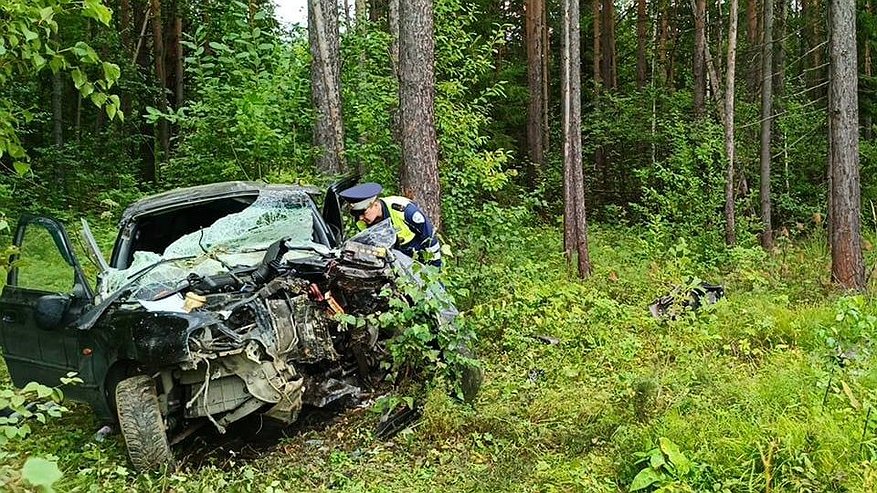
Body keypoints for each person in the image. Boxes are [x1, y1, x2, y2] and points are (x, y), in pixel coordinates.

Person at [339, 183, 442, 267]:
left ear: (375, 205)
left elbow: (430, 238)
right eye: (357, 214)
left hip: (417, 251)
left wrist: (435, 267)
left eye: (363, 213)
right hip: (392, 257)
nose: (361, 218)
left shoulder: (404, 211)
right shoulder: (362, 220)